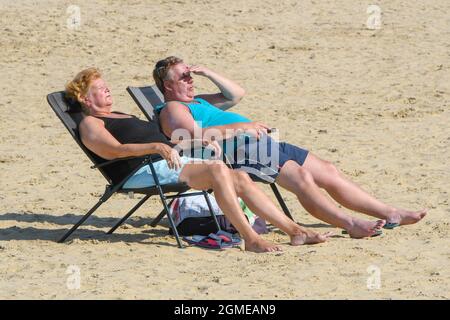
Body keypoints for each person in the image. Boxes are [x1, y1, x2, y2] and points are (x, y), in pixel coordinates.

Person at [152, 56, 427, 238]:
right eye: (184, 77)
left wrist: (208, 71)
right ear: (167, 85)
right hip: (242, 150)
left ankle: (389, 212)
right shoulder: (173, 108)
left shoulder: (198, 102)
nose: (190, 80)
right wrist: (241, 128)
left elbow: (236, 94)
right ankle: (350, 224)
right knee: (302, 178)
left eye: (190, 75)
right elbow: (187, 136)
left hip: (261, 142)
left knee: (328, 171)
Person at [65, 67, 333, 253]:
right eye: (99, 88)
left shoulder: (121, 115)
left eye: (105, 85)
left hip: (167, 161)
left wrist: (196, 142)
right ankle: (250, 238)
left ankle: (295, 231)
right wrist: (155, 146)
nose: (107, 89)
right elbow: (112, 151)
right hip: (140, 170)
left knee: (238, 175)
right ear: (84, 98)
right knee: (217, 169)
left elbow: (172, 141)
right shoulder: (90, 123)